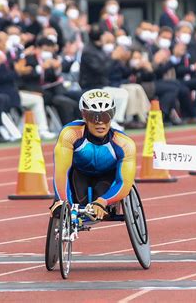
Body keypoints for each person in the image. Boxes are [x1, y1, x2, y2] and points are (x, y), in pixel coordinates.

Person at [50, 89, 136, 220]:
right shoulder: (70, 134)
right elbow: (61, 172)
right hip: (79, 174)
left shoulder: (125, 143)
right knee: (71, 204)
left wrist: (103, 201)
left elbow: (125, 183)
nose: (100, 122)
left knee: (100, 203)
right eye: (94, 117)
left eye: (106, 116)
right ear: (84, 116)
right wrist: (63, 202)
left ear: (112, 116)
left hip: (107, 176)